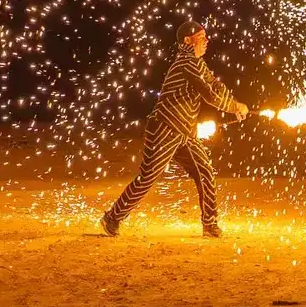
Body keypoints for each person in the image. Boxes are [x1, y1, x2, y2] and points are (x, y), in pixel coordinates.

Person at [100, 20, 248, 238]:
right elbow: (209, 94)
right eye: (201, 37)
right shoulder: (186, 63)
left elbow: (215, 86)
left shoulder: (198, 64)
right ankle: (112, 218)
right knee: (148, 177)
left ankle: (210, 224)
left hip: (185, 133)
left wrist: (234, 104)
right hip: (164, 129)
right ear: (187, 41)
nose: (206, 41)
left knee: (205, 172)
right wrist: (234, 106)